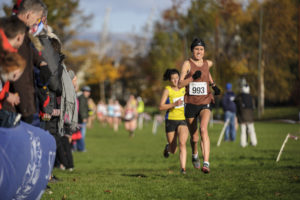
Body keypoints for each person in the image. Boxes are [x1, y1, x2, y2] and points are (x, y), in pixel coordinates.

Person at [178, 38, 221, 173]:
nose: (199, 51)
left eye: (201, 49)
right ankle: (195, 154)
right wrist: (192, 78)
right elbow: (180, 84)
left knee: (203, 129)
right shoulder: (187, 64)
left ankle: (206, 163)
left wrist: (214, 86)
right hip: (190, 104)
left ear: (204, 51)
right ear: (192, 51)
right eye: (196, 49)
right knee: (195, 137)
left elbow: (207, 74)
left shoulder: (208, 63)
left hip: (205, 102)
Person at [11, 0, 52, 124]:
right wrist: (26, 108)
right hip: (16, 106)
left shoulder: (21, 32)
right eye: (37, 18)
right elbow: (20, 76)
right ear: (28, 15)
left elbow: (31, 52)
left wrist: (42, 63)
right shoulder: (16, 33)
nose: (37, 23)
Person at [159, 68, 188, 174]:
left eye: (177, 78)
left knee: (182, 143)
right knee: (173, 149)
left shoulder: (184, 88)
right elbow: (161, 106)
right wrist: (174, 105)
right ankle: (168, 148)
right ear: (169, 80)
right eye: (173, 79)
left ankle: (183, 169)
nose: (176, 80)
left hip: (183, 120)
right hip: (170, 120)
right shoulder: (168, 90)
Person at [77, 86, 91, 152]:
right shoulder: (82, 98)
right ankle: (81, 148)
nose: (88, 93)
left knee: (78, 133)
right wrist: (84, 117)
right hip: (81, 119)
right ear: (84, 91)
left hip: (80, 118)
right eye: (87, 91)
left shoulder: (83, 98)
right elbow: (81, 109)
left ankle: (77, 147)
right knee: (81, 134)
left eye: (89, 92)